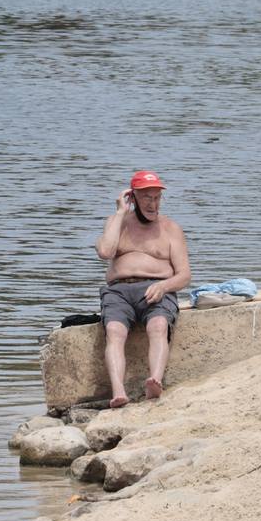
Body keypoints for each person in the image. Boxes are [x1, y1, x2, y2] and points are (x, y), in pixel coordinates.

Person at [93, 170, 193, 407]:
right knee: (115, 331)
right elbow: (105, 252)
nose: (153, 203)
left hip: (156, 287)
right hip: (119, 290)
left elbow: (185, 275)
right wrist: (119, 213)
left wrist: (164, 285)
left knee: (158, 325)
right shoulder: (118, 223)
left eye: (157, 197)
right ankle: (119, 393)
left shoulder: (170, 228)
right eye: (147, 197)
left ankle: (155, 382)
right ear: (133, 198)